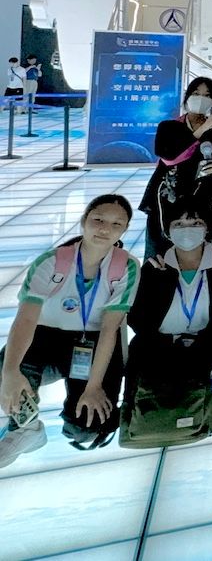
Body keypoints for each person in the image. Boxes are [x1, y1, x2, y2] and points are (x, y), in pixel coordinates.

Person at [0, 195, 140, 465]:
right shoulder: (52, 262)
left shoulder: (126, 266)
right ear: (84, 220)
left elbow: (110, 329)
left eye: (116, 224)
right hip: (45, 336)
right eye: (98, 220)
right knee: (4, 373)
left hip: (93, 342)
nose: (105, 229)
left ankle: (78, 414)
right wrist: (10, 371)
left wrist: (94, 386)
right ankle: (27, 429)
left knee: (88, 425)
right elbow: (26, 320)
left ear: (124, 230)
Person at [123, 204, 212, 426]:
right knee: (157, 402)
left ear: (207, 228)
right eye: (179, 224)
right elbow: (137, 322)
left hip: (207, 347)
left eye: (196, 223)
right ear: (168, 230)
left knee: (196, 399)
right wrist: (161, 284)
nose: (187, 229)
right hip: (159, 347)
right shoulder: (155, 266)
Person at [139, 77, 212, 257]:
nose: (201, 98)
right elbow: (169, 157)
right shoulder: (168, 127)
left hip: (202, 204)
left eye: (207, 95)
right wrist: (203, 128)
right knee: (159, 256)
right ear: (187, 98)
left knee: (199, 256)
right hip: (167, 201)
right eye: (196, 93)